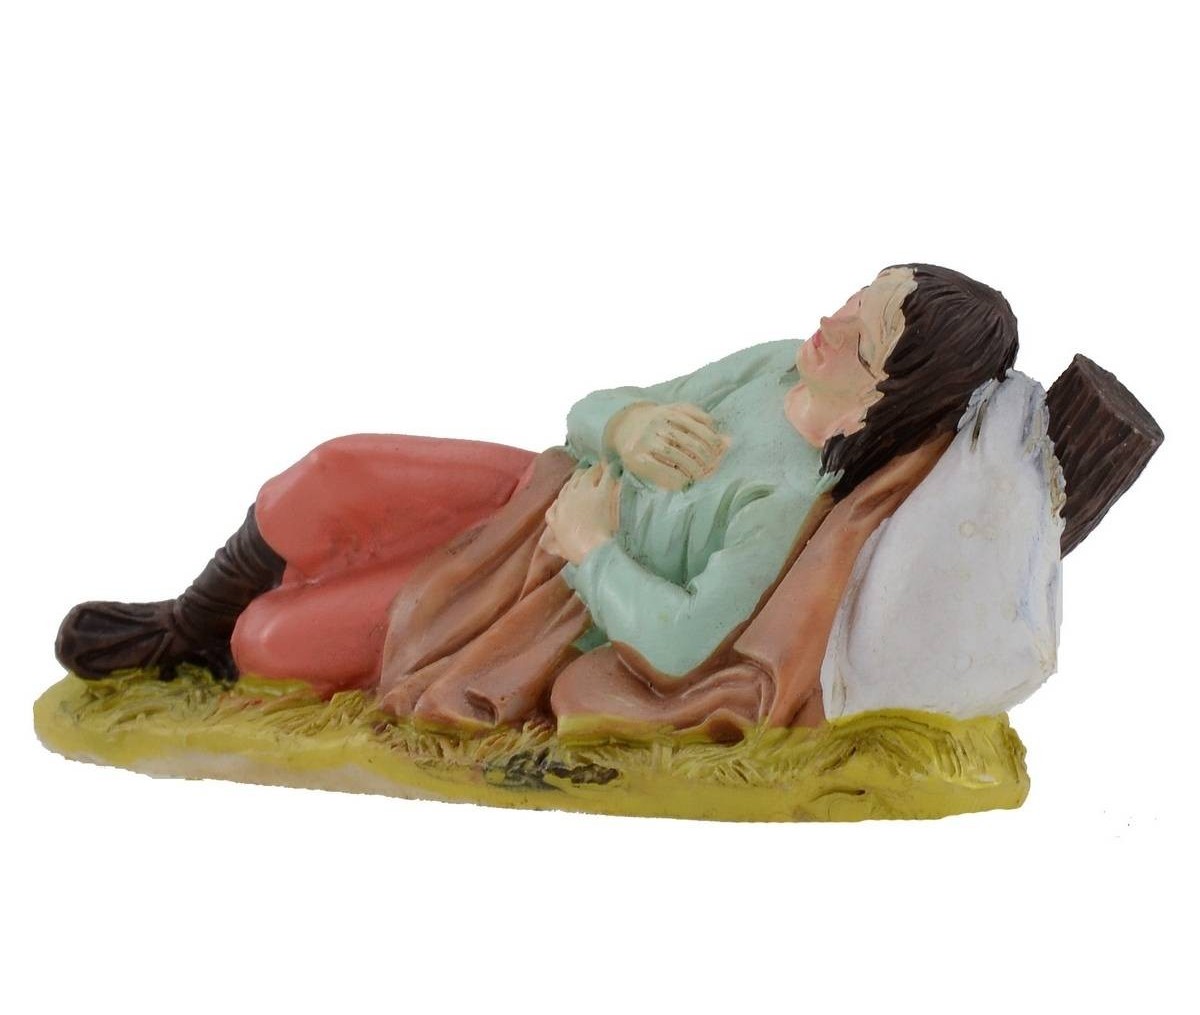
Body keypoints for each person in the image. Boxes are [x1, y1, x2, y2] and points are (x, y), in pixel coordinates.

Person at [55, 263, 1020, 731]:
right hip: (531, 488)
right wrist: (626, 423)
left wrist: (595, 549)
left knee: (274, 643)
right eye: (857, 294)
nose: (831, 318)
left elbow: (682, 645)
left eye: (865, 335)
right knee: (333, 471)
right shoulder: (773, 366)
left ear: (894, 392)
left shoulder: (786, 499)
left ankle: (224, 640)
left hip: (546, 593)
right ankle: (185, 622)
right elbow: (588, 413)